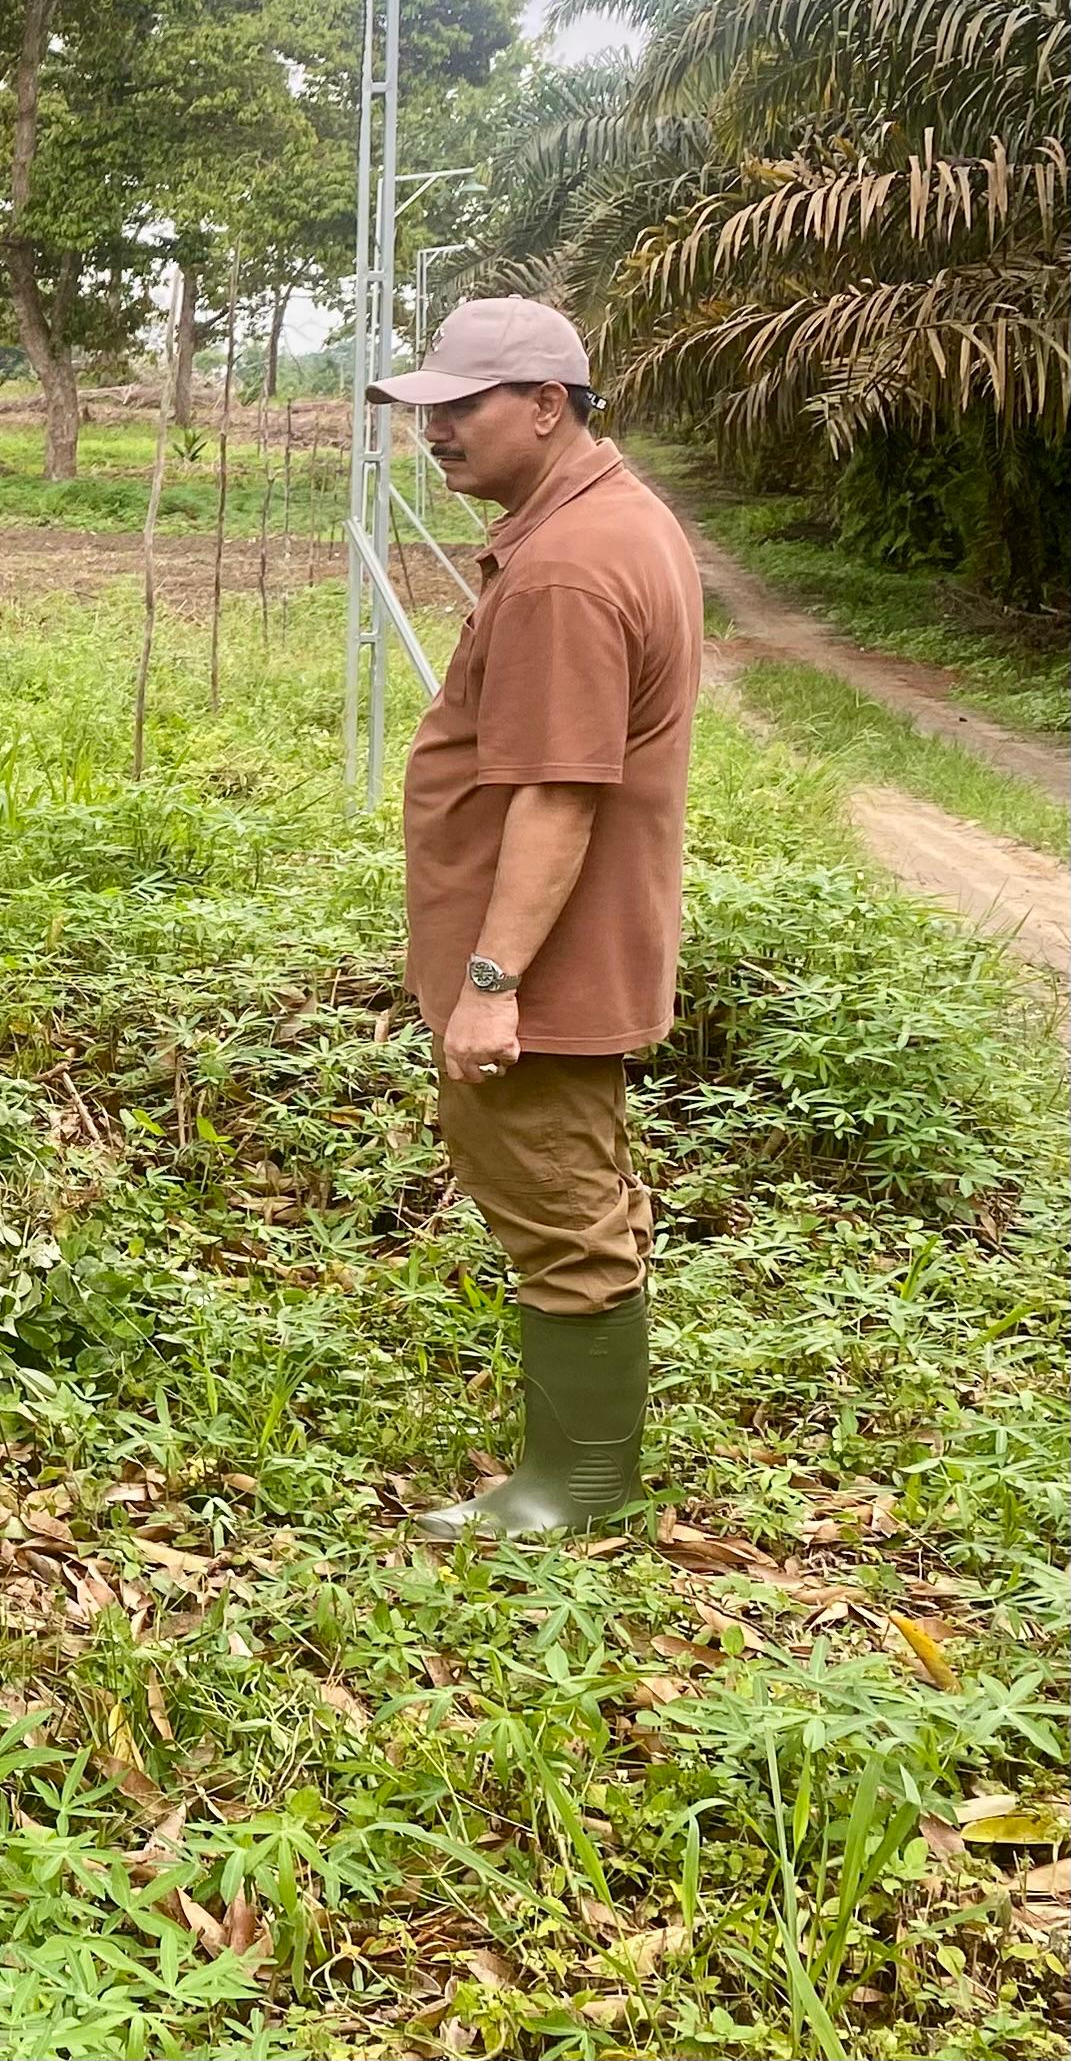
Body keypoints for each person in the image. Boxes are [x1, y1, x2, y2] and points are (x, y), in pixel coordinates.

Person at [373, 297, 702, 1539]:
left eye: (464, 405)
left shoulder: (567, 567)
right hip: (563, 948)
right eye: (429, 408)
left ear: (547, 405)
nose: (437, 430)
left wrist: (491, 980)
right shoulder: (605, 519)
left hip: (543, 965)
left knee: (560, 1208)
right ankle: (578, 1467)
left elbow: (557, 797)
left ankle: (576, 1487)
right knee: (578, 1191)